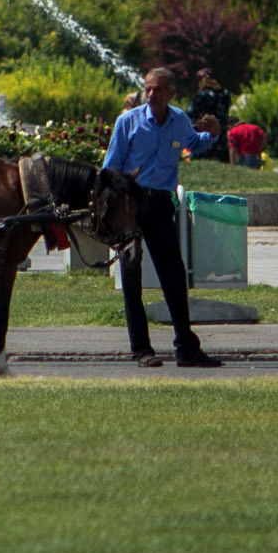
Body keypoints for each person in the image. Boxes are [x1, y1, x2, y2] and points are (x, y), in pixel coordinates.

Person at [107, 63, 222, 369]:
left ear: (172, 93)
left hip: (159, 204)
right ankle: (141, 349)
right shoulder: (128, 122)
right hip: (131, 204)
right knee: (131, 277)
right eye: (147, 88)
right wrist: (118, 201)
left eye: (158, 89)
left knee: (173, 274)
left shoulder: (179, 120)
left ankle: (186, 347)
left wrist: (211, 134)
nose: (151, 94)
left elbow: (193, 144)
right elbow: (110, 168)